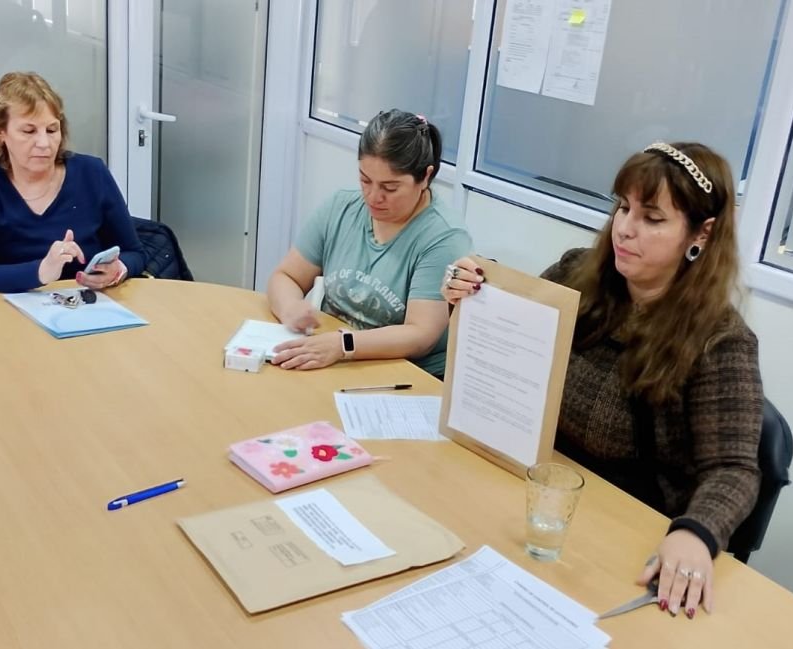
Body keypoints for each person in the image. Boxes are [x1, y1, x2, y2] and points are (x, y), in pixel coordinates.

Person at [442, 142, 763, 619]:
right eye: (623, 207)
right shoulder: (576, 273)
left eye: (653, 219)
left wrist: (695, 533)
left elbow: (735, 469)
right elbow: (515, 355)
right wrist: (470, 300)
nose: (626, 229)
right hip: (538, 493)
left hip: (627, 528)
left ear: (701, 233)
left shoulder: (720, 339)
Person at [266, 109, 472, 377]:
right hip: (331, 356)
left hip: (402, 374)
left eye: (390, 188)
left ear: (425, 177)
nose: (373, 197)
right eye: (365, 180)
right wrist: (290, 306)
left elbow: (420, 336)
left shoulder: (443, 237)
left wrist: (344, 345)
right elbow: (286, 276)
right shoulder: (341, 206)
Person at [0, 72, 145, 294]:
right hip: (9, 311)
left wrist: (118, 269)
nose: (44, 143)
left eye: (52, 130)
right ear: (0, 134)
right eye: (29, 131)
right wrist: (42, 271)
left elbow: (135, 253)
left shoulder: (92, 173)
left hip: (89, 308)